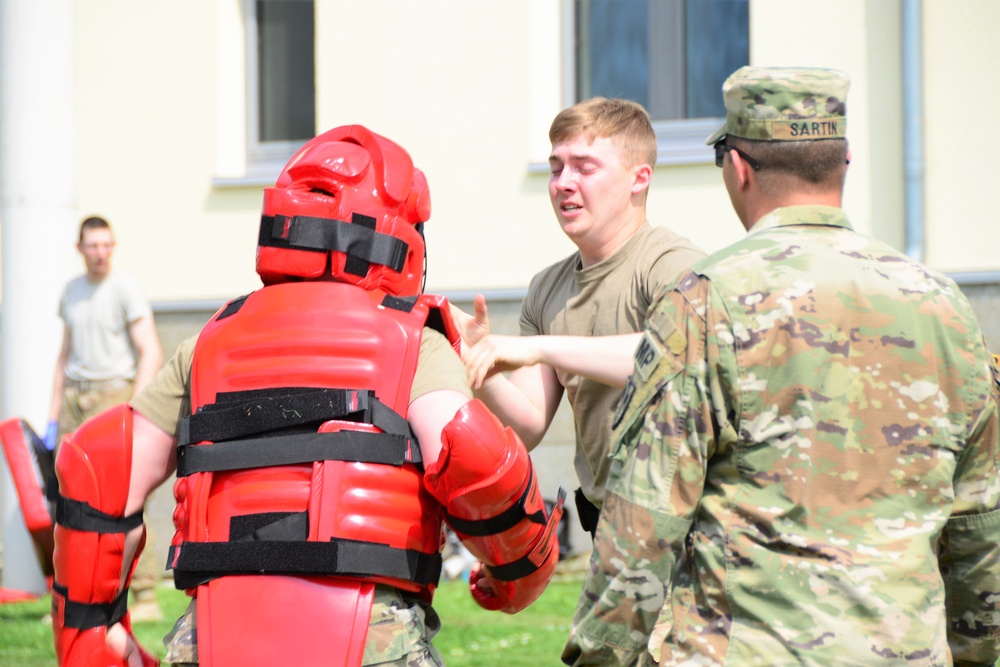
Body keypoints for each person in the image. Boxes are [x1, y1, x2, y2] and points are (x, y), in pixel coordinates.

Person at [50, 125, 563, 667]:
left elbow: (101, 467)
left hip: (216, 635)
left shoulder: (214, 339)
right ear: (397, 237)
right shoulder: (410, 339)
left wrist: (93, 634)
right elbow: (469, 451)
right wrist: (517, 573)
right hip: (368, 634)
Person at [562, 66, 1000, 666]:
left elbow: (646, 517)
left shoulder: (703, 303)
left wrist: (599, 656)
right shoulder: (943, 305)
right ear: (843, 163)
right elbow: (978, 518)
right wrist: (972, 653)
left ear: (737, 168)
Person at [453, 98, 705, 538]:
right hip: (608, 530)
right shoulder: (546, 290)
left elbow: (675, 354)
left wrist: (538, 347)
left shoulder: (671, 263)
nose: (563, 183)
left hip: (689, 532)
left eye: (584, 168)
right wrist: (481, 363)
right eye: (555, 168)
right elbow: (528, 426)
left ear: (638, 179)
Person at [47, 215, 164, 622]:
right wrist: (51, 416)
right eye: (92, 245)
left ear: (113, 246)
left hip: (114, 395)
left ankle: (145, 594)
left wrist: (134, 407)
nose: (100, 253)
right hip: (75, 402)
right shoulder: (71, 292)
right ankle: (71, 596)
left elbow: (151, 349)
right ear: (80, 248)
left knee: (122, 498)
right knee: (69, 503)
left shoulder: (124, 289)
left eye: (106, 244)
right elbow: (63, 358)